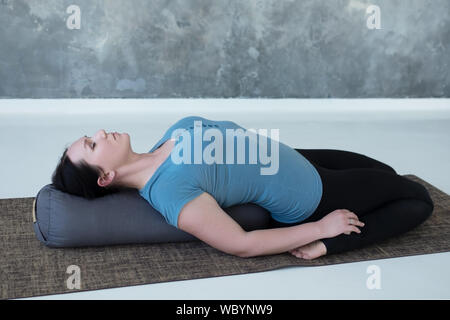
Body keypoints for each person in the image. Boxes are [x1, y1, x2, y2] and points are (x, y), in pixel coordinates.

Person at [52, 116, 434, 260]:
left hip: (300, 159)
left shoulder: (161, 143)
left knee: (387, 171)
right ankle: (330, 247)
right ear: (105, 177)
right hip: (314, 195)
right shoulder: (170, 193)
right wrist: (322, 230)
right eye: (92, 144)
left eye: (90, 135)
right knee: (417, 199)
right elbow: (241, 244)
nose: (100, 133)